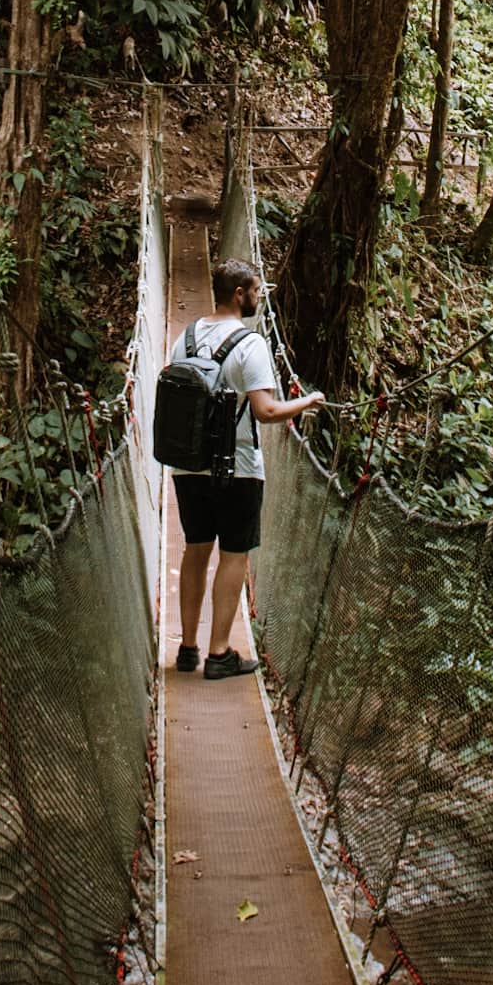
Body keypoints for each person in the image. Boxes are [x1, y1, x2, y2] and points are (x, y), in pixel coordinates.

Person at [172, 257, 323, 679]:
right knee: (233, 555)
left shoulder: (184, 340)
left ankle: (187, 648)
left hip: (188, 468)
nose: (259, 298)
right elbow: (267, 410)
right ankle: (219, 653)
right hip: (236, 470)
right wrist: (307, 402)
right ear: (239, 294)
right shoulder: (251, 344)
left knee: (195, 550)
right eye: (257, 291)